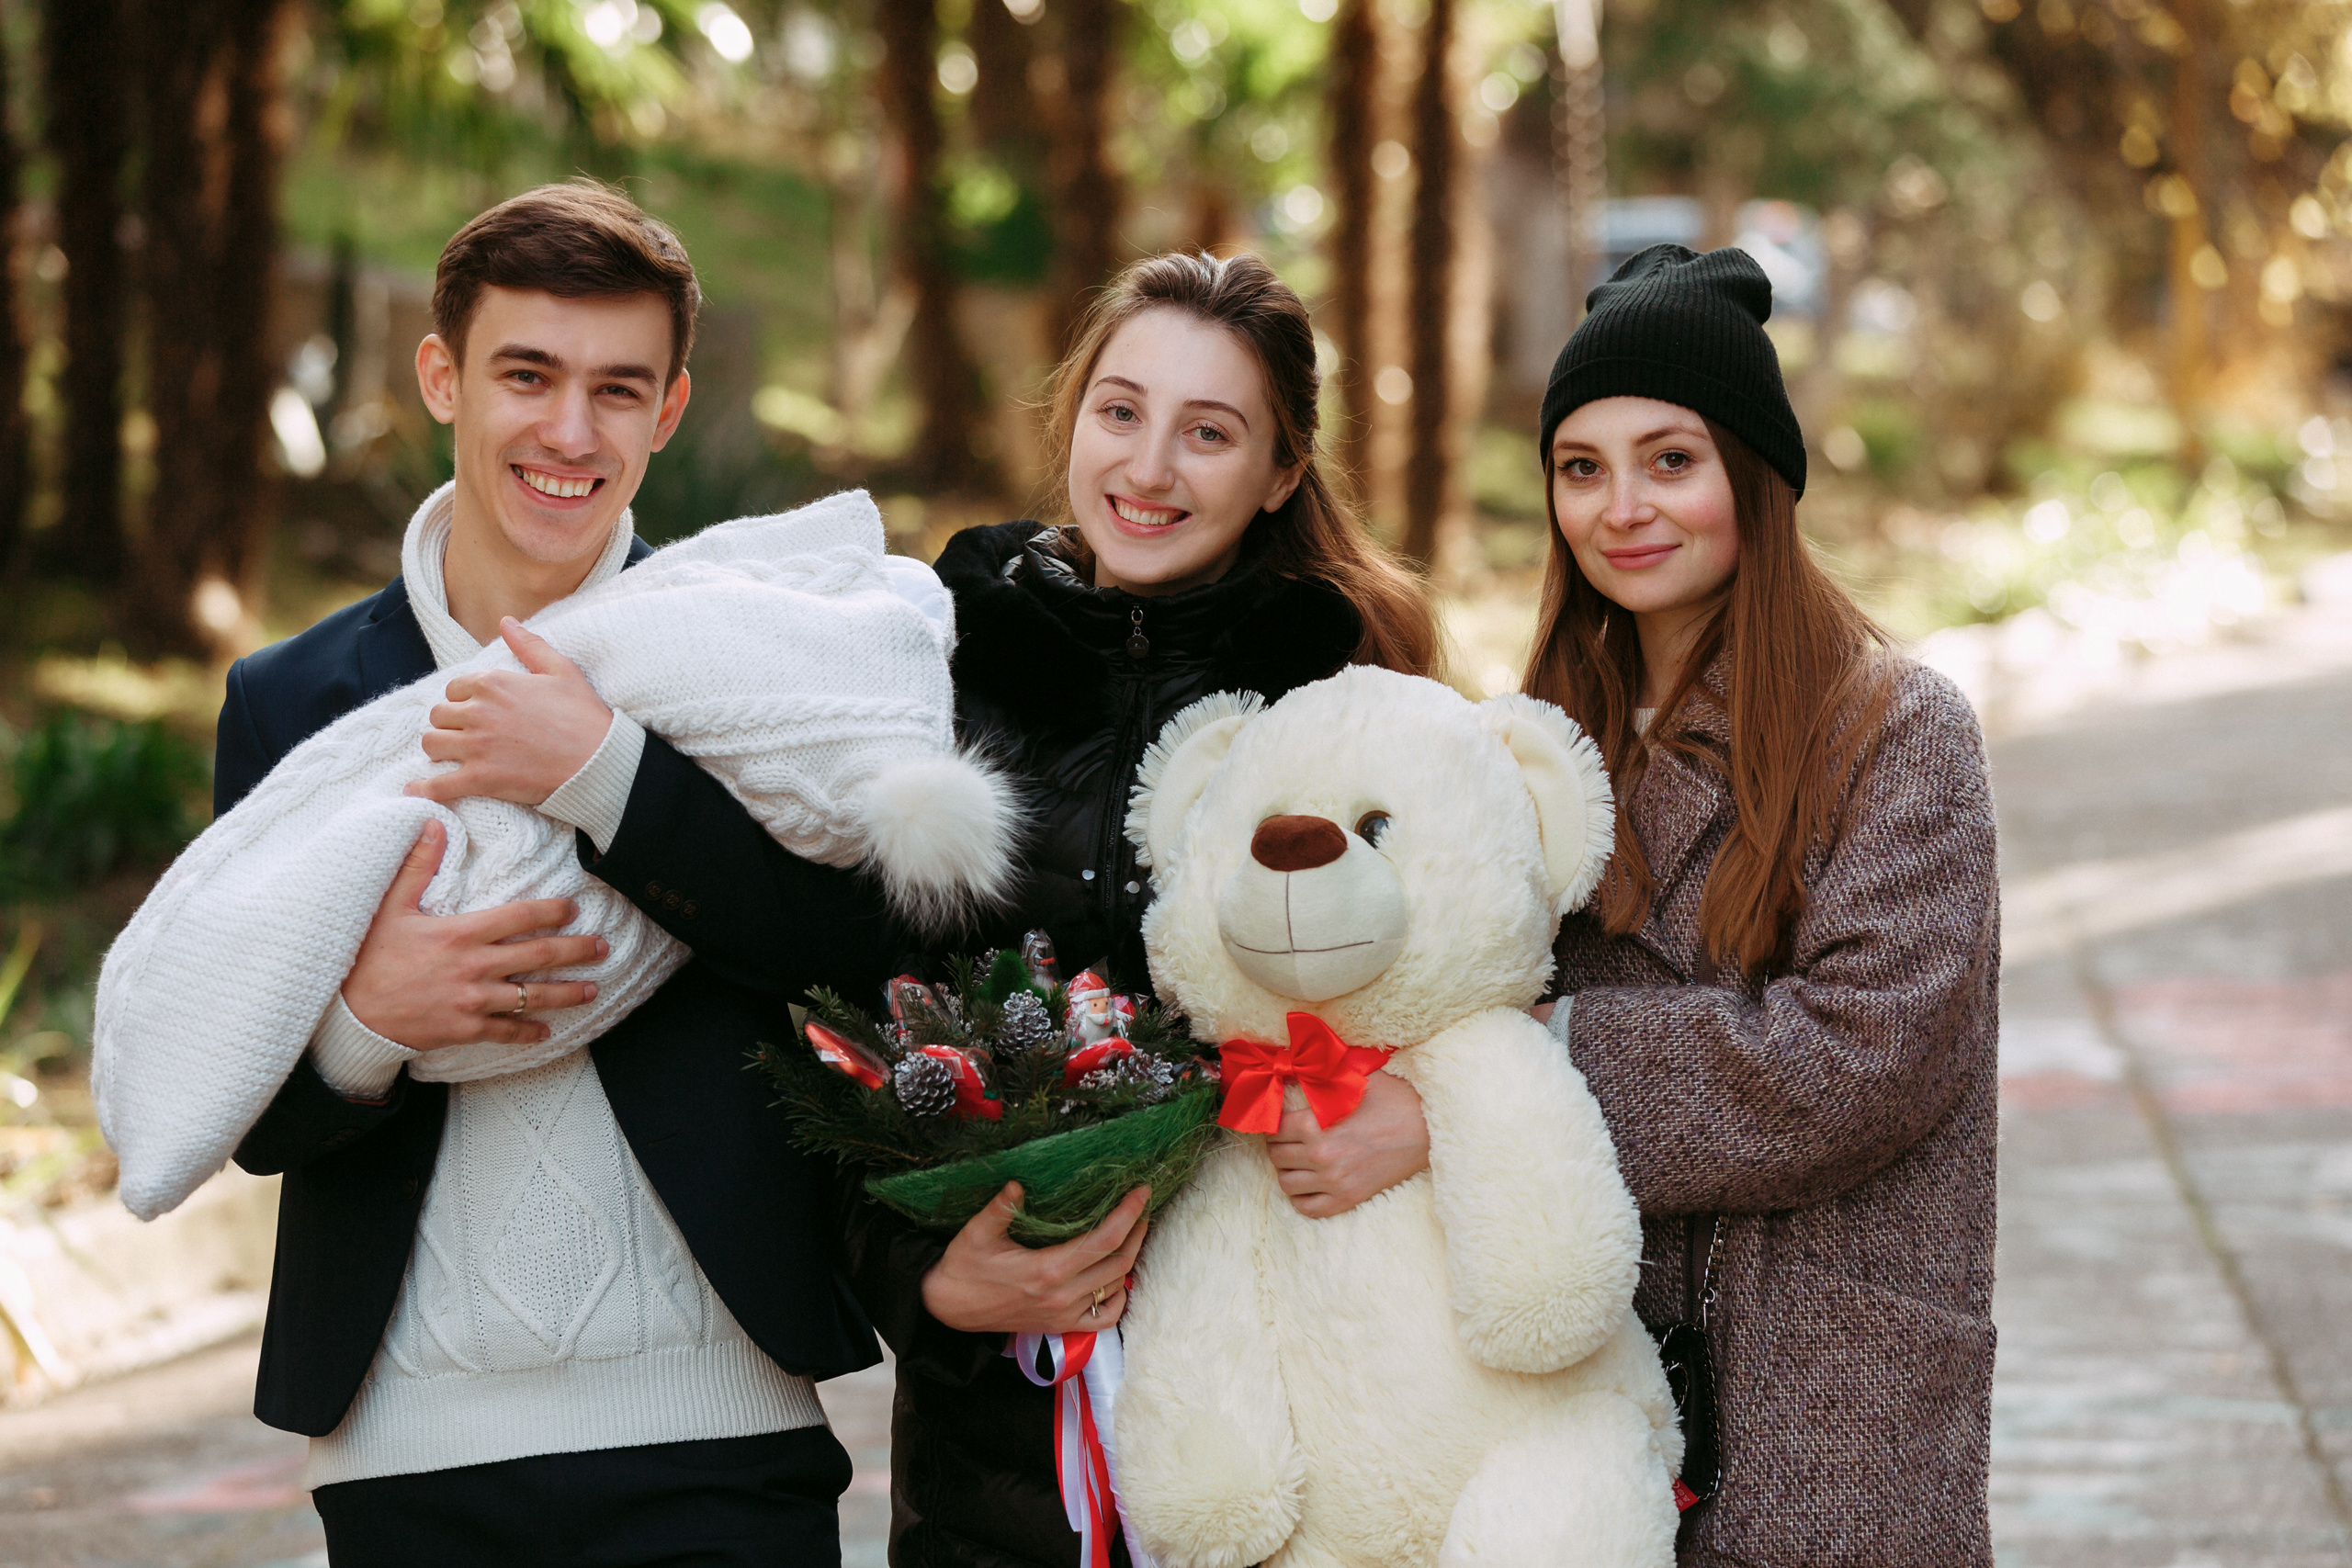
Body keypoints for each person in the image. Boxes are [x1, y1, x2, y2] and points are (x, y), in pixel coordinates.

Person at [215, 182, 907, 1565]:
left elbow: (857, 958)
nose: (570, 433)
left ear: (669, 409)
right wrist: (368, 1024)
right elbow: (244, 1105)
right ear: (442, 378)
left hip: (720, 1430)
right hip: (408, 1452)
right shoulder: (290, 701)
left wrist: (608, 775)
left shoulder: (757, 653)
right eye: (526, 376)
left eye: (618, 389)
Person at [837, 252, 1442, 1568]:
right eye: (1121, 412)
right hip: (1000, 1461)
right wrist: (926, 1284)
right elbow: (837, 1022)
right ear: (1073, 417)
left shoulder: (1351, 695)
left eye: (1208, 432)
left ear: (1281, 471)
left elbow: (1464, 988)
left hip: (1295, 1402)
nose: (1149, 468)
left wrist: (1427, 1118)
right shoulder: (934, 662)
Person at [1524, 244, 1998, 1565]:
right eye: (1582, 468)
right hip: (1582, 1413)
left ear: (1753, 473)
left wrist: (1537, 1062)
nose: (1623, 507)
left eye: (1670, 460)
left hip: (1826, 1408)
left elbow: (1860, 1059)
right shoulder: (1539, 744)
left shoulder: (1897, 731)